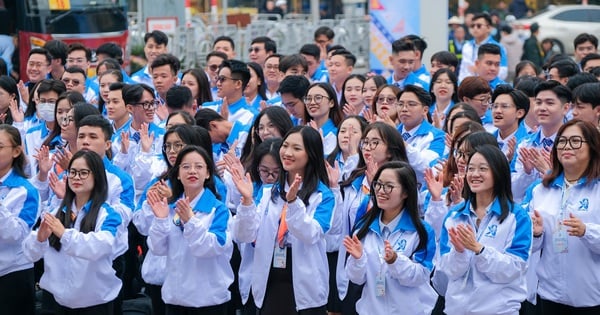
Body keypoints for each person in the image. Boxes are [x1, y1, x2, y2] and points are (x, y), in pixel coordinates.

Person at [230, 126, 335, 315]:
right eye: (285, 145)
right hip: (269, 278)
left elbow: (311, 234)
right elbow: (243, 235)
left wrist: (293, 202)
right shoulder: (268, 191)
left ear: (311, 153)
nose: (287, 152)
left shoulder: (323, 195)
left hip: (305, 284)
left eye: (296, 148)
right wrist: (246, 202)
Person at [437, 144, 532, 315]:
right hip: (456, 309)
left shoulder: (517, 217)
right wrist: (459, 252)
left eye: (482, 169)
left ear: (498, 172)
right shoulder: (454, 216)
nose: (474, 174)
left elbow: (515, 269)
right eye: (470, 169)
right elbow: (447, 270)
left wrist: (479, 249)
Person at [23, 150, 121, 314]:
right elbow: (31, 255)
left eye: (83, 173)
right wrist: (38, 239)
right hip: (56, 301)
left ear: (96, 176)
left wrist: (65, 234)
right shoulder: (57, 211)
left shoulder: (107, 214)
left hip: (94, 303)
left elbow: (101, 246)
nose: (76, 177)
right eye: (73, 172)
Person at [145, 145, 232, 314]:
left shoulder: (218, 210)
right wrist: (161, 219)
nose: (192, 171)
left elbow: (210, 248)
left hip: (209, 301)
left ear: (208, 173)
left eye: (199, 167)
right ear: (177, 174)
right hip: (175, 298)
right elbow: (158, 248)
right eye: (185, 167)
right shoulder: (170, 207)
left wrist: (190, 221)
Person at [526, 119, 600, 314]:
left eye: (575, 141)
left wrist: (586, 231)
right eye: (562, 141)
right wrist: (536, 234)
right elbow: (529, 248)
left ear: (592, 147)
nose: (567, 147)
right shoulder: (541, 190)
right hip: (550, 293)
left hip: (591, 295)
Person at [344, 161, 437, 314]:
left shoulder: (421, 231)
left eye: (389, 186)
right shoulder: (364, 227)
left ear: (406, 192)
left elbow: (420, 277)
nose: (381, 191)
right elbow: (356, 279)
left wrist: (396, 261)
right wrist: (358, 259)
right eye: (378, 184)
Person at [0, 124, 40, 315]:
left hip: (12, 273)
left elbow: (14, 234)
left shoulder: (26, 190)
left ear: (16, 151)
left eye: (0, 147)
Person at [459, 13, 508, 82]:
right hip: (467, 87)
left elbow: (503, 72)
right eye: (472, 26)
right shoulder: (467, 46)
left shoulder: (498, 47)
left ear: (489, 28)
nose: (475, 28)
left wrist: (480, 71)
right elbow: (463, 70)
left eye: (479, 26)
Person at [491, 84, 530, 170]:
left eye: (504, 106)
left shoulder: (527, 144)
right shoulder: (486, 140)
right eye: (495, 106)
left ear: (519, 113)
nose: (497, 111)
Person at [304, 82, 343, 156]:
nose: (312, 103)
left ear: (331, 103)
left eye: (318, 98)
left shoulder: (338, 134)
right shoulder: (302, 132)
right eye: (308, 99)